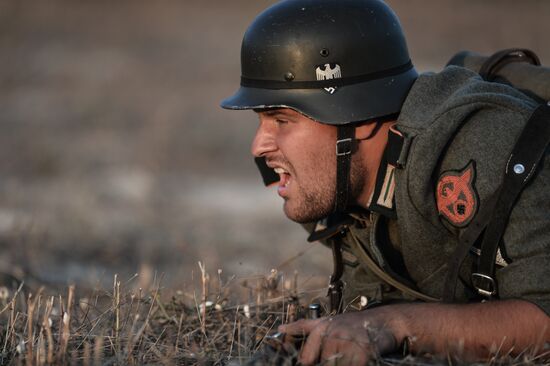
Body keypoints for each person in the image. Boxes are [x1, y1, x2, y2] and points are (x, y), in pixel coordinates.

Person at [221, 0, 550, 364]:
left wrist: (392, 323)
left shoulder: (485, 150)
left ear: (358, 118)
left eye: (281, 120)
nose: (258, 146)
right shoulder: (344, 188)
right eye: (261, 120)